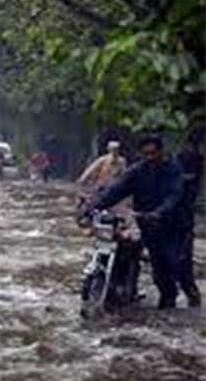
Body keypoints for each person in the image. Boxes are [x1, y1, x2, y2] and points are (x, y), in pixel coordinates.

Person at [84, 134, 186, 309]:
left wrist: (159, 213)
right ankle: (120, 290)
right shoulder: (135, 171)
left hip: (173, 225)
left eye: (153, 153)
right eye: (145, 154)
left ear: (161, 152)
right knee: (130, 249)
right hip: (147, 223)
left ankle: (174, 301)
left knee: (170, 266)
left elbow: (174, 196)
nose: (150, 158)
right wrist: (90, 208)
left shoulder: (173, 170)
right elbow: (115, 191)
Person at [175, 125, 204, 307]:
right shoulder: (189, 157)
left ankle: (189, 294)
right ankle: (190, 293)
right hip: (180, 211)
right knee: (183, 256)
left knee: (183, 256)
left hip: (183, 211)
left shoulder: (192, 157)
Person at [77, 140, 128, 206]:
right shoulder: (103, 160)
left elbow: (124, 173)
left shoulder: (122, 161)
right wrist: (83, 178)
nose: (115, 151)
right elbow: (91, 169)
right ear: (109, 150)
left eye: (116, 149)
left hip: (113, 186)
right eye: (113, 149)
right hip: (102, 185)